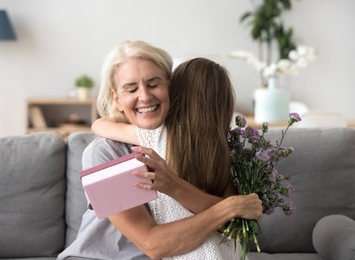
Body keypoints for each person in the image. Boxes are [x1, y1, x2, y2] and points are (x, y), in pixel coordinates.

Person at [58, 40, 262, 260]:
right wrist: (228, 208)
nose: (145, 96)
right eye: (131, 88)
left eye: (154, 84)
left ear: (171, 87)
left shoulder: (198, 144)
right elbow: (153, 245)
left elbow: (236, 228)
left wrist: (230, 210)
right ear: (117, 99)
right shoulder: (106, 154)